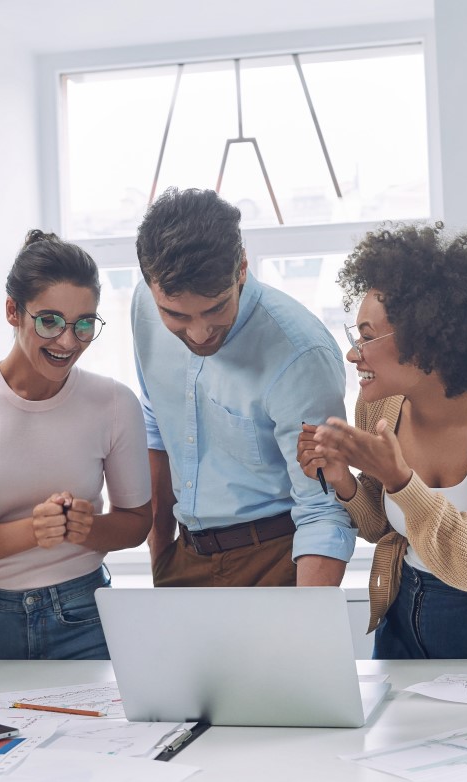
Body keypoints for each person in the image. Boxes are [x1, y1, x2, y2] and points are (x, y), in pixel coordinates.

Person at [297, 223, 467, 660]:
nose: (352, 353)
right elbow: (385, 529)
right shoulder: (379, 409)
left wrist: (401, 480)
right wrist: (343, 481)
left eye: (365, 336)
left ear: (427, 341)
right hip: (402, 607)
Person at [0, 230, 152, 677]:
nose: (68, 341)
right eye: (50, 321)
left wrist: (87, 529)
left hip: (83, 614)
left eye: (83, 324)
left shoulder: (114, 404)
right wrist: (33, 532)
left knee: (94, 748)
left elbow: (137, 523)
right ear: (12, 311)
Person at [133, 187, 355, 587]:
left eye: (216, 308)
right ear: (150, 285)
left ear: (242, 269)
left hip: (276, 560)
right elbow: (156, 427)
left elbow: (322, 506)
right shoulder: (144, 307)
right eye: (176, 315)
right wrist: (161, 557)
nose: (199, 334)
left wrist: (307, 625)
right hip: (181, 558)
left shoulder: (299, 353)